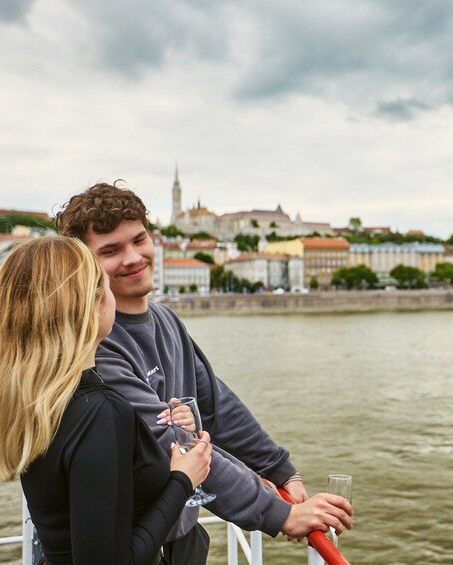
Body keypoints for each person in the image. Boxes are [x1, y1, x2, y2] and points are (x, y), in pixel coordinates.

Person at [55, 182, 353, 562]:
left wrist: (281, 471)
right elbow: (174, 444)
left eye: (139, 240)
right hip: (132, 545)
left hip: (180, 534)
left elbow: (216, 406)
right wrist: (281, 515)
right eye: (111, 251)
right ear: (84, 265)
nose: (133, 258)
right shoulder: (96, 347)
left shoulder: (165, 319)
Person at [0, 236, 213, 564]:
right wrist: (183, 480)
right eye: (105, 286)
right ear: (89, 306)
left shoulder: (37, 400)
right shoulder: (101, 412)